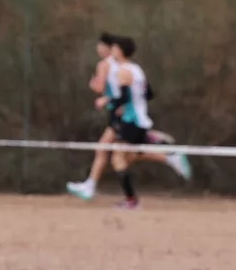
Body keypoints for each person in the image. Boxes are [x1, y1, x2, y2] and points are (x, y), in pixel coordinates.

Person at [66, 35, 190, 207]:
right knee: (127, 155)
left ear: (120, 51)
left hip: (131, 120)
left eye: (114, 48)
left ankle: (132, 199)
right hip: (137, 118)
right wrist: (133, 101)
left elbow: (123, 96)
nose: (111, 51)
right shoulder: (136, 69)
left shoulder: (123, 71)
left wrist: (107, 101)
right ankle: (161, 149)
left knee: (119, 159)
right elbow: (149, 94)